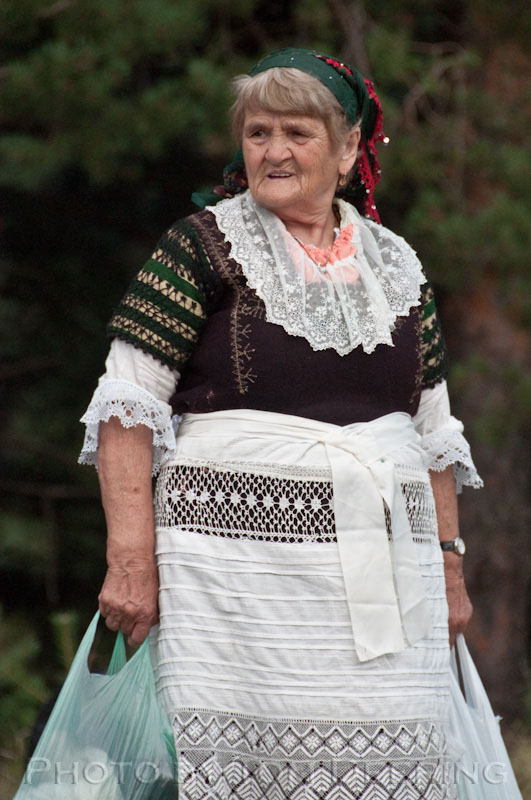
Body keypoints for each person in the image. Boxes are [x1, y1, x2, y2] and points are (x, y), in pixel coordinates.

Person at [80, 48, 482, 800]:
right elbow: (126, 408)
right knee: (240, 770)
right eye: (258, 133)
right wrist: (130, 561)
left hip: (393, 585)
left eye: (296, 133)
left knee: (391, 770)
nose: (273, 151)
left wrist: (450, 569)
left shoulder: (397, 264)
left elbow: (433, 433)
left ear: (348, 149)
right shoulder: (201, 246)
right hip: (232, 584)